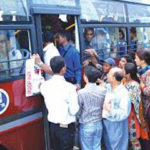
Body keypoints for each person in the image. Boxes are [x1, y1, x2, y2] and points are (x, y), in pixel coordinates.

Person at [40, 56, 79, 150]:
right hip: (65, 128)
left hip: (52, 127)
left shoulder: (44, 85)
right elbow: (74, 110)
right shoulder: (69, 87)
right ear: (63, 68)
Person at [78, 66, 106, 150]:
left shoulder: (81, 93)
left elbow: (78, 111)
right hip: (98, 123)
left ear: (85, 77)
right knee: (97, 146)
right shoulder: (103, 90)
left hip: (86, 124)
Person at [102, 67, 131, 150]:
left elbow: (124, 113)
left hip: (117, 125)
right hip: (107, 123)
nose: (107, 75)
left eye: (109, 74)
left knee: (116, 147)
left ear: (114, 78)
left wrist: (110, 110)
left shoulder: (123, 93)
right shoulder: (109, 87)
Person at [124, 63, 149, 150]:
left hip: (132, 117)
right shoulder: (125, 81)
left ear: (128, 74)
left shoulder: (134, 85)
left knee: (134, 139)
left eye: (124, 70)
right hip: (127, 115)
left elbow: (135, 103)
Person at [135, 49, 150, 150]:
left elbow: (148, 91)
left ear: (143, 60)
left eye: (136, 58)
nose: (135, 60)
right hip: (143, 106)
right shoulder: (140, 71)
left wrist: (140, 81)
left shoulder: (148, 73)